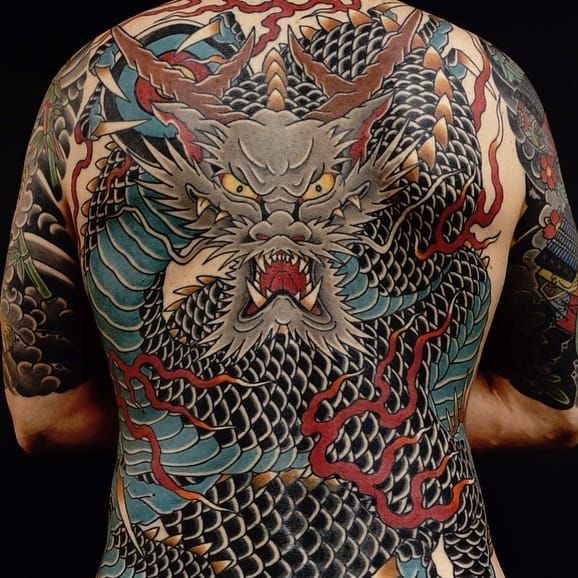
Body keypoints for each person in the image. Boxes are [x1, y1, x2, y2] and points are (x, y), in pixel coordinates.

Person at [2, 1, 577, 576]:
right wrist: (398, 420)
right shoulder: (486, 79)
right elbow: (553, 413)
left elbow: (46, 417)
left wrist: (190, 423)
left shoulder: (88, 82)